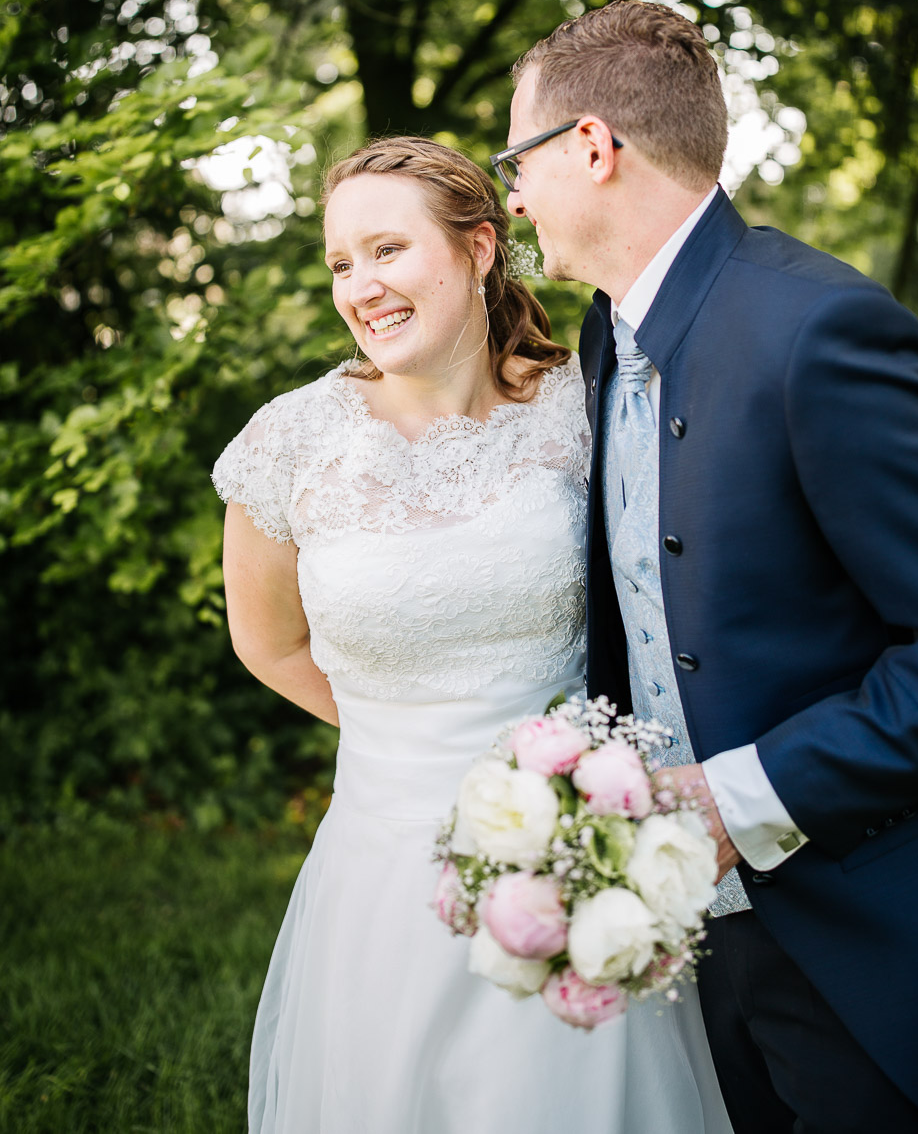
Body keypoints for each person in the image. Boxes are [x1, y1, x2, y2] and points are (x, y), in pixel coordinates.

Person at [499, 0, 918, 1134]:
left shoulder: (819, 329)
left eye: (516, 159)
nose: (512, 195)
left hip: (864, 942)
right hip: (686, 934)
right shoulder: (600, 335)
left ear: (591, 145)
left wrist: (739, 801)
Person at [212, 136, 733, 1134]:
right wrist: (399, 742)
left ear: (481, 249)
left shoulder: (586, 410)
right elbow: (268, 644)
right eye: (339, 263)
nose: (360, 285)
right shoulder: (287, 443)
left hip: (574, 846)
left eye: (386, 250)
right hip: (381, 858)